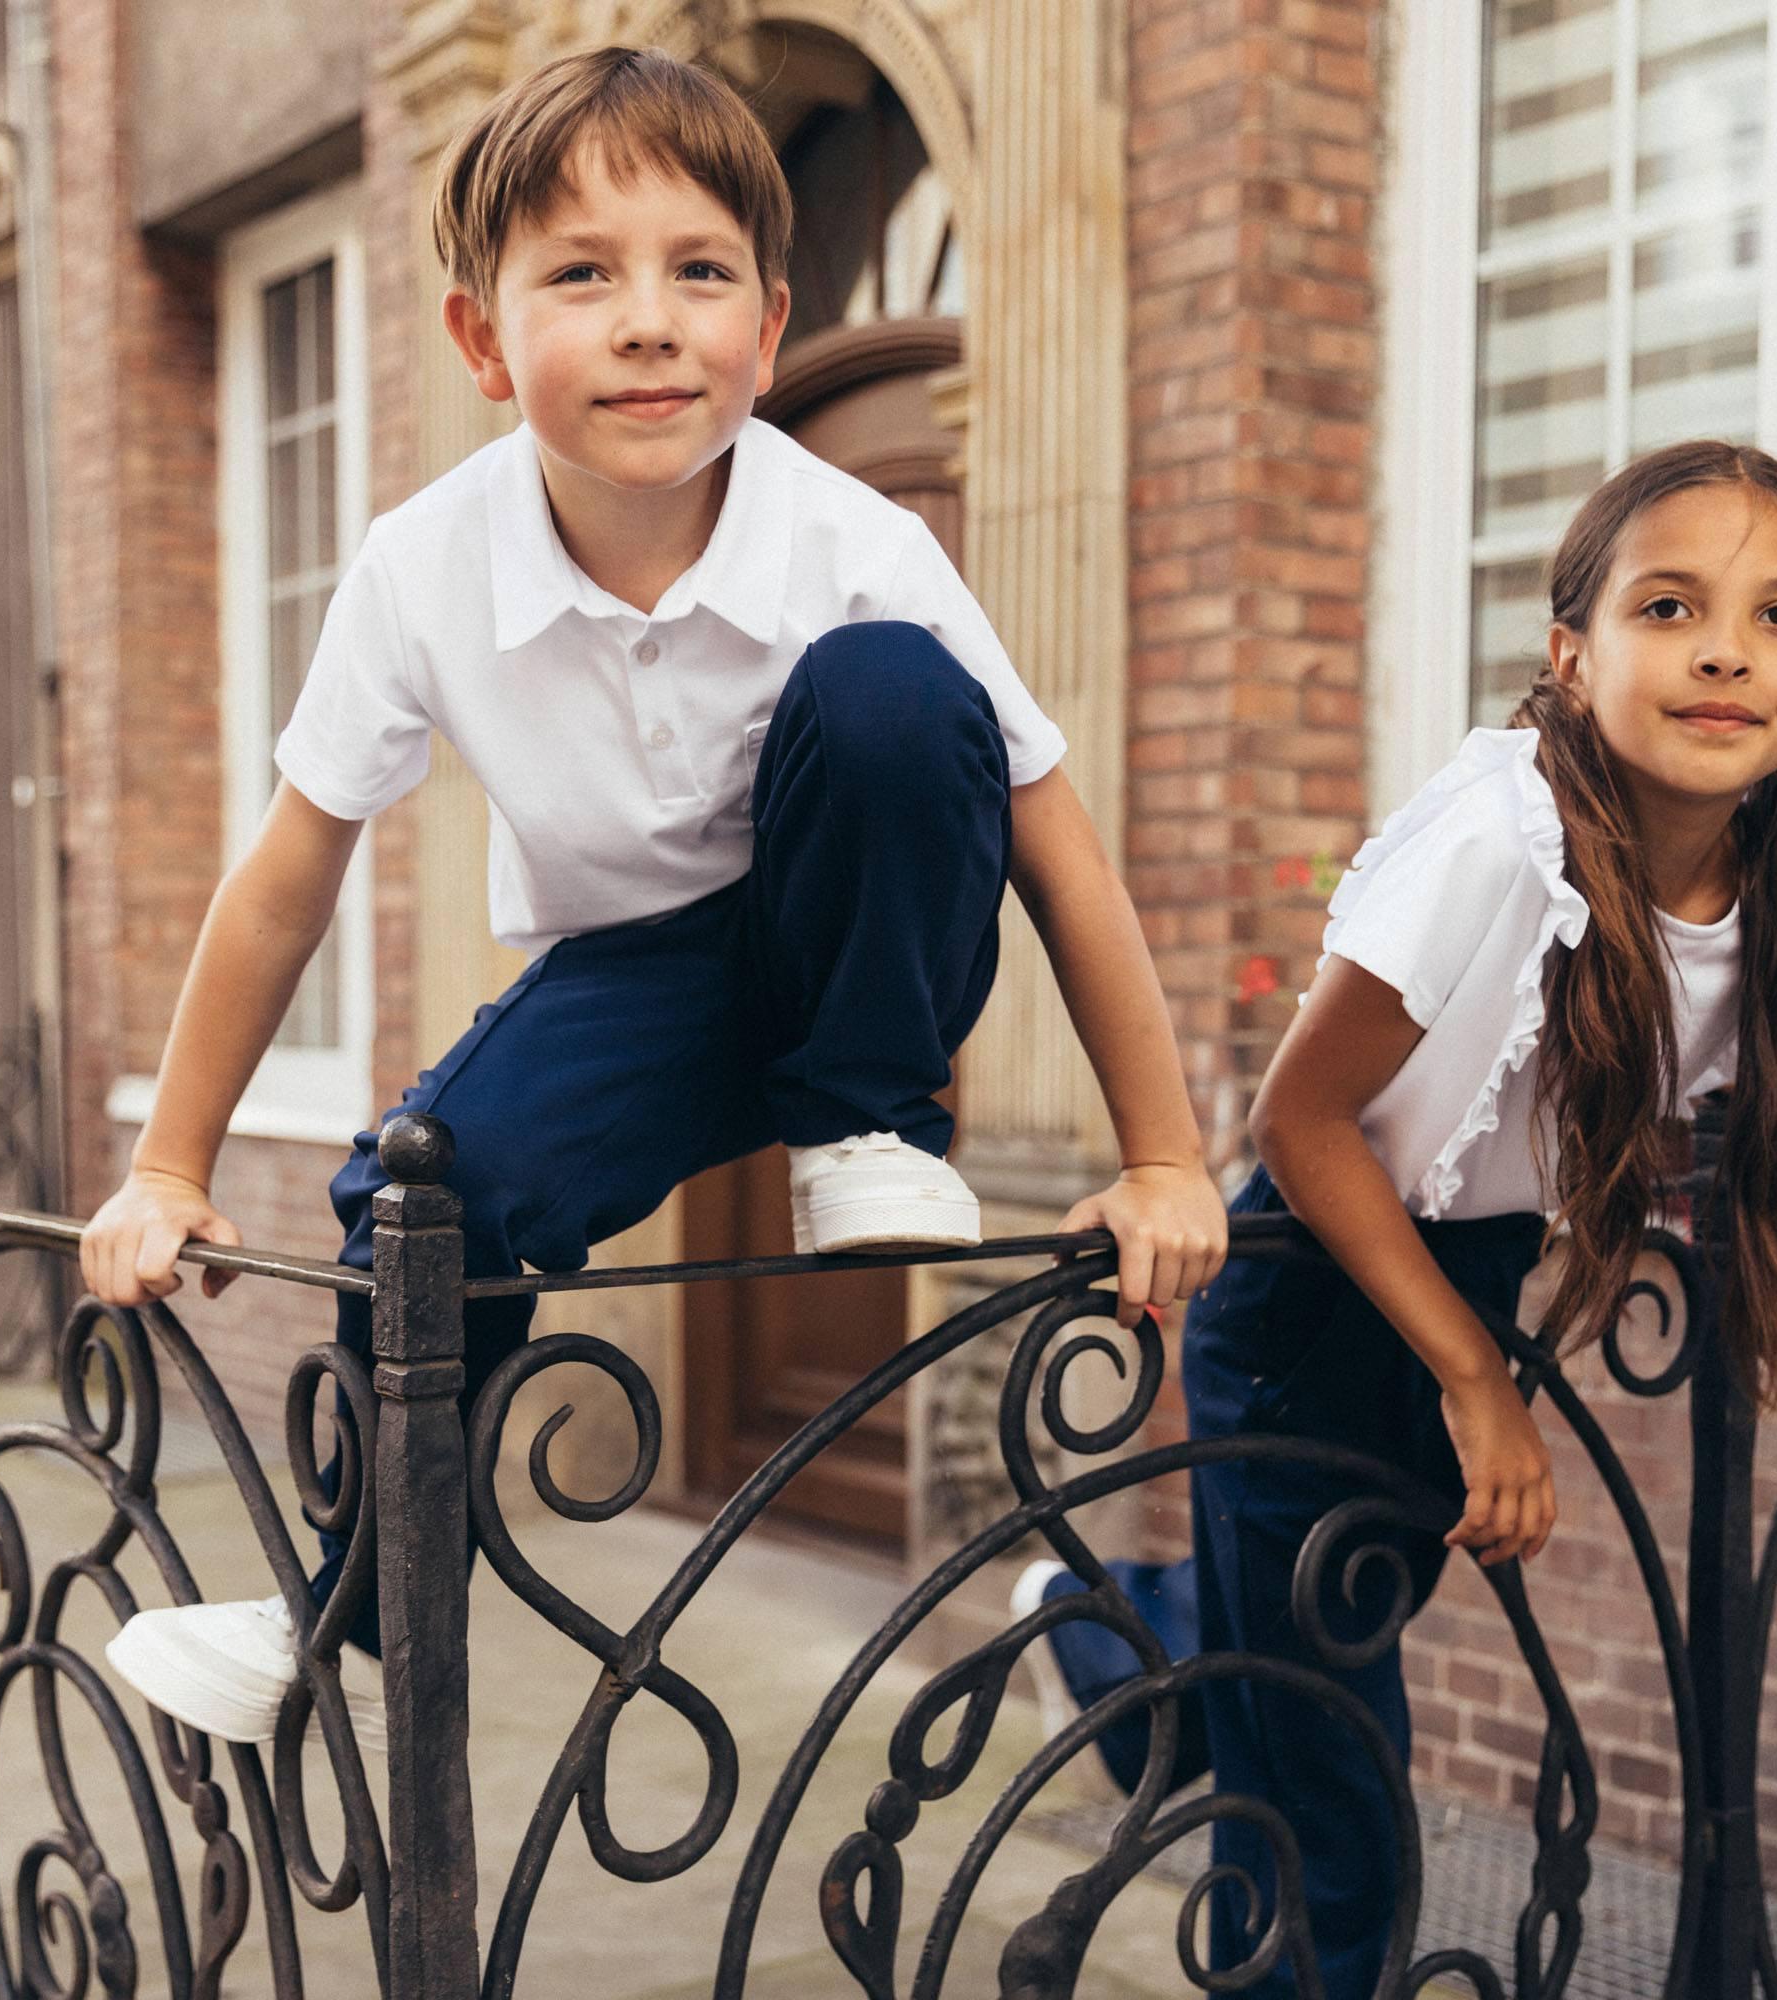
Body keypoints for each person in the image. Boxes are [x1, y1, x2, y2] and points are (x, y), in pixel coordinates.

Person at [80, 46, 1227, 1752]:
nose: (647, 320)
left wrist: (1164, 1157)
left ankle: (863, 1129)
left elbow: (1054, 849)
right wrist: (172, 1164)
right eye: (582, 275)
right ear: (482, 340)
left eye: (698, 273)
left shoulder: (857, 540)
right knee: (419, 1201)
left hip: (863, 944)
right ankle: (343, 1613)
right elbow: (283, 880)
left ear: (767, 332)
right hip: (636, 986)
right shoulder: (421, 567)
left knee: (901, 692)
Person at [1012, 440, 1777, 1997]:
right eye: (1672, 605)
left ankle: (1104, 1626)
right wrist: (1477, 1387)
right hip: (1313, 1282)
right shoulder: (1502, 839)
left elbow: (1690, 1099)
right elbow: (1301, 1117)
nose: (1724, 653)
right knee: (1328, 1797)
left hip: (1468, 1273)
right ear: (1572, 651)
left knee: (1304, 1657)